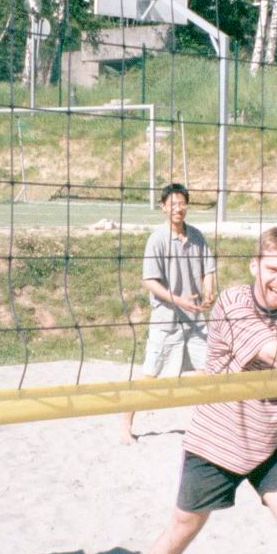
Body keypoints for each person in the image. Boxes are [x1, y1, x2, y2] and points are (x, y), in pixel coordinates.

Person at [123, 227, 277, 554]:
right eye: (272, 269)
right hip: (216, 441)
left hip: (270, 441)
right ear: (255, 266)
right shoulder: (233, 302)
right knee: (181, 530)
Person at [122, 182, 217, 444]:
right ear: (163, 207)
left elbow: (209, 270)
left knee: (208, 371)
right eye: (173, 204)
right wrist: (178, 300)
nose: (178, 208)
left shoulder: (197, 236)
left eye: (182, 203)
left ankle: (207, 425)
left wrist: (209, 291)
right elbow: (150, 282)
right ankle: (126, 424)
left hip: (196, 320)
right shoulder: (157, 239)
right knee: (150, 377)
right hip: (167, 320)